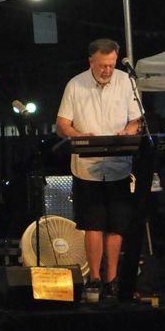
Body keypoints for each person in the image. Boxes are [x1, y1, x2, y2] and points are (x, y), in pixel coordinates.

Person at [55, 38, 142, 299]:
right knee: (92, 223)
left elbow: (136, 120)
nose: (108, 70)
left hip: (118, 165)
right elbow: (62, 125)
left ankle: (112, 278)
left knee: (116, 225)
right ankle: (94, 278)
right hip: (87, 166)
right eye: (103, 65)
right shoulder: (75, 84)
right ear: (91, 61)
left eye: (112, 65)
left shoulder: (126, 82)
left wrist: (127, 131)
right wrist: (80, 135)